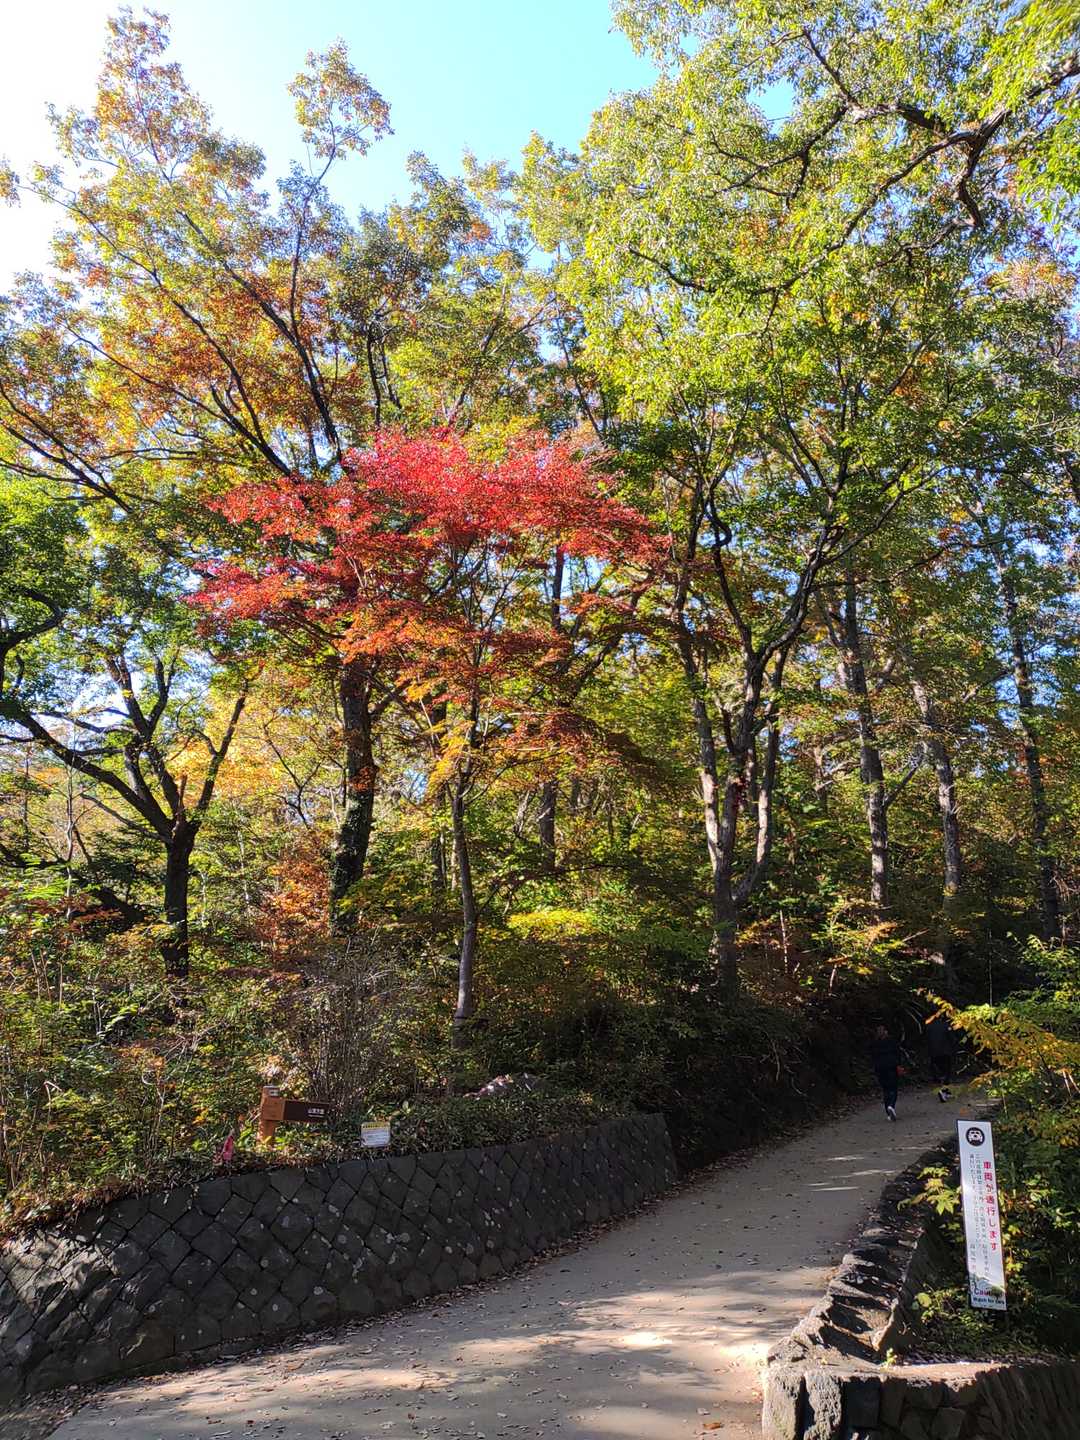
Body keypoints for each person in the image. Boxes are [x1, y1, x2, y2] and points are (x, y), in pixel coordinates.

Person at [870, 1023, 901, 1121]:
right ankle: (891, 1105)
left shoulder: (874, 1043)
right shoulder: (892, 1041)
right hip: (891, 1066)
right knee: (893, 1088)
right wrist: (899, 1064)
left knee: (885, 1089)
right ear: (886, 1032)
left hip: (880, 1068)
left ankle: (888, 1111)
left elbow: (872, 1056)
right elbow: (897, 1053)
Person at [925, 1013, 957, 1103]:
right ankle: (944, 1090)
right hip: (945, 1052)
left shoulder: (929, 1027)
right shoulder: (946, 1026)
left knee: (937, 1071)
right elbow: (952, 1039)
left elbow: (927, 1040)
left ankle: (944, 1089)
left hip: (933, 1053)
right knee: (946, 1071)